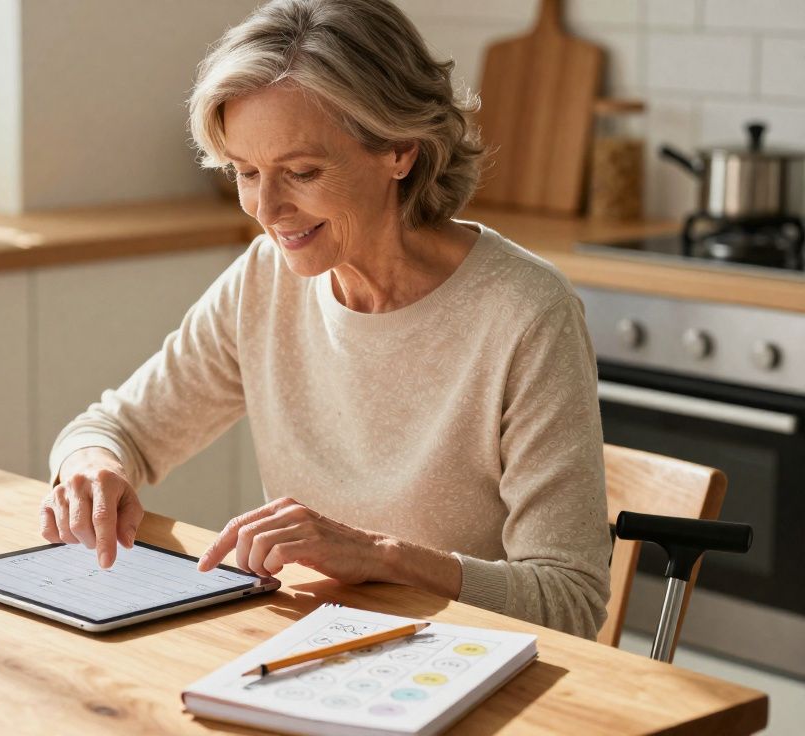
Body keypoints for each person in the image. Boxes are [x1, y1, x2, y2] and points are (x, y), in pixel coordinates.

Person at [38, 0, 611, 639]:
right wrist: (92, 467)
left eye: (302, 172)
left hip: (466, 663)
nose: (267, 208)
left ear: (400, 150)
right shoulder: (265, 280)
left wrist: (382, 557)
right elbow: (116, 429)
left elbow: (570, 601)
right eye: (245, 172)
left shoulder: (527, 312)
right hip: (311, 645)